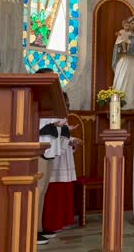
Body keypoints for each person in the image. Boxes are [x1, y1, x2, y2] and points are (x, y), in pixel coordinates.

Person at [34, 67, 67, 245]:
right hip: (38, 149)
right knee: (37, 191)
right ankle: (32, 229)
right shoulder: (33, 98)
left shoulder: (52, 102)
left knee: (43, 190)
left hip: (49, 150)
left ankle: (39, 228)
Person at [42, 92, 83, 233]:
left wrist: (71, 140)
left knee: (62, 189)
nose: (66, 106)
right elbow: (47, 135)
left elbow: (62, 136)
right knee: (52, 192)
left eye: (67, 103)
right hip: (52, 158)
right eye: (64, 103)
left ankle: (59, 222)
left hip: (62, 157)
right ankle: (49, 225)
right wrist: (68, 137)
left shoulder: (62, 117)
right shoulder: (46, 115)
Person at [112, 16, 134, 110]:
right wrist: (120, 48)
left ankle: (130, 105)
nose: (133, 25)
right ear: (127, 24)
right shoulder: (122, 33)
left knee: (131, 81)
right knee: (121, 79)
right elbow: (117, 47)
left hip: (131, 61)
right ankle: (118, 104)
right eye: (131, 23)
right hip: (123, 60)